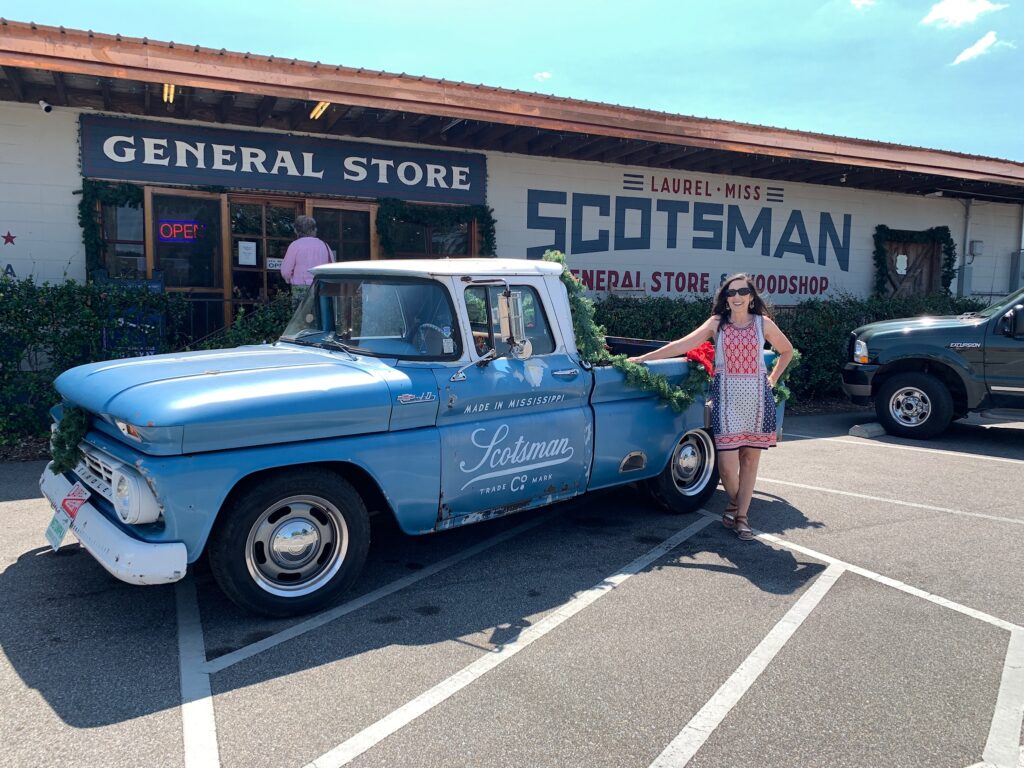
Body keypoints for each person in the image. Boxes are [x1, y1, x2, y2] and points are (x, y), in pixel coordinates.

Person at [628, 274, 794, 541]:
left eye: (742, 291)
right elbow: (683, 344)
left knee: (750, 461)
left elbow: (787, 351)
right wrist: (645, 358)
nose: (737, 296)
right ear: (725, 299)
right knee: (727, 467)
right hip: (726, 400)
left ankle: (741, 517)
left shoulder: (763, 324)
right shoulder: (717, 324)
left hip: (757, 400)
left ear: (751, 296)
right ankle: (733, 502)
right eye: (731, 293)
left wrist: (772, 379)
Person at [280, 215, 333, 301]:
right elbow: (331, 268)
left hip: (300, 287)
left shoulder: (295, 245)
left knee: (301, 313)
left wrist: (289, 280)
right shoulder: (324, 245)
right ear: (314, 229)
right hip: (321, 286)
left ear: (296, 230)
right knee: (320, 313)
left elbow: (286, 271)